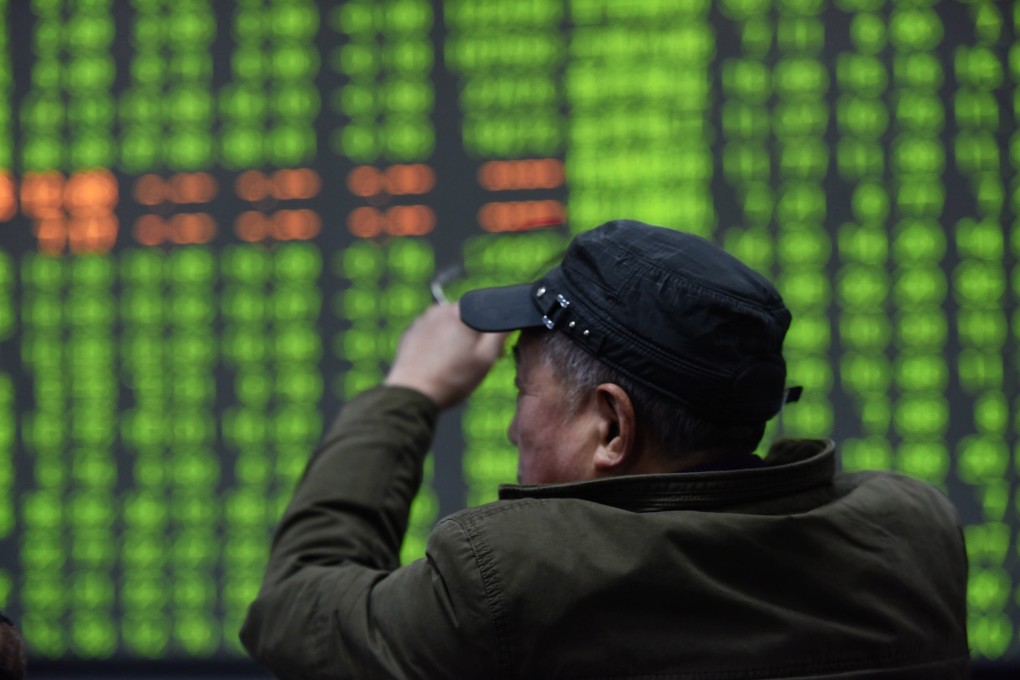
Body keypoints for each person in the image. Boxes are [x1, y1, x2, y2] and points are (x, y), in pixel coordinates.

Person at [241, 220, 969, 679]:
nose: (511, 429)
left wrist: (407, 392)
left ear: (612, 428)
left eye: (520, 392)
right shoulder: (913, 536)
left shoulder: (519, 579)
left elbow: (294, 607)